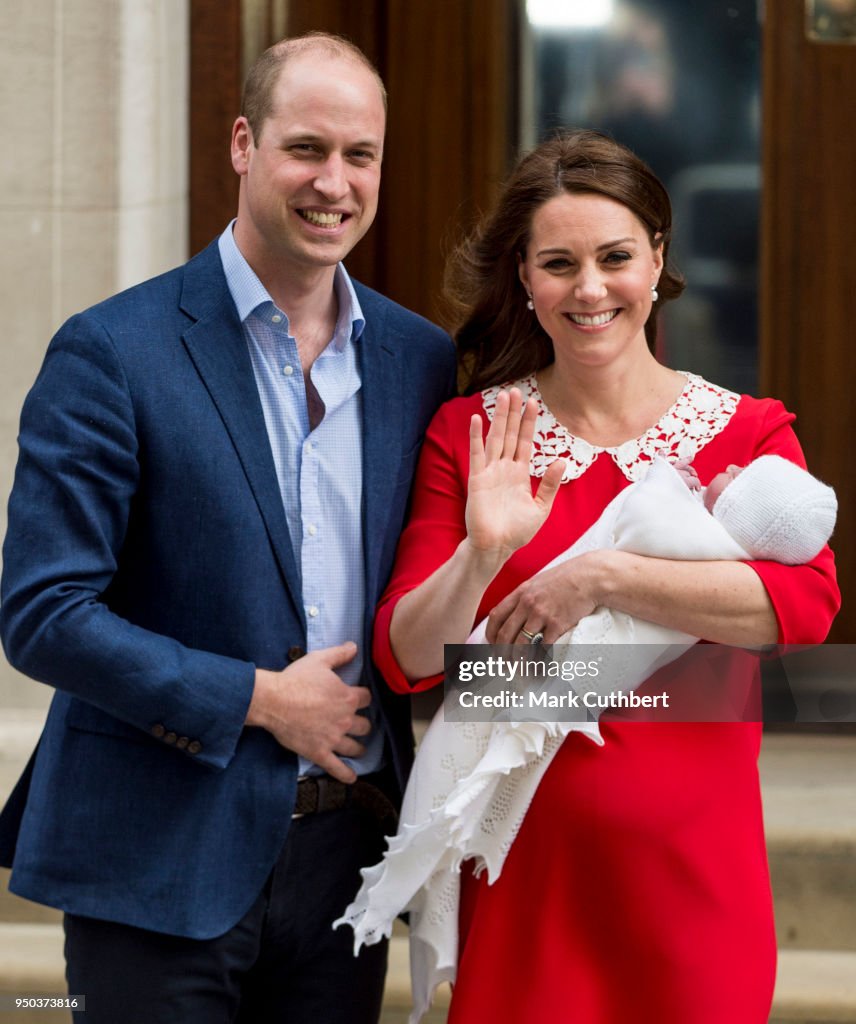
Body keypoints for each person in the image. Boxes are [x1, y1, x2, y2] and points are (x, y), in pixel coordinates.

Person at [0, 32, 455, 1024]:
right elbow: (41, 611)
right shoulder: (112, 350)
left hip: (346, 859)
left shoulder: (420, 361)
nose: (334, 182)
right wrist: (254, 698)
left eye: (360, 156)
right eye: (306, 149)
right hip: (156, 856)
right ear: (243, 143)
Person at [352, 130, 840, 1023]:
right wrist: (485, 553)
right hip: (525, 880)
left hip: (697, 882)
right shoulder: (475, 433)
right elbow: (412, 661)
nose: (589, 288)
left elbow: (803, 609)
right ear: (525, 282)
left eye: (615, 257)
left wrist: (605, 578)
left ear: (657, 259)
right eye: (558, 263)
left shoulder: (750, 433)